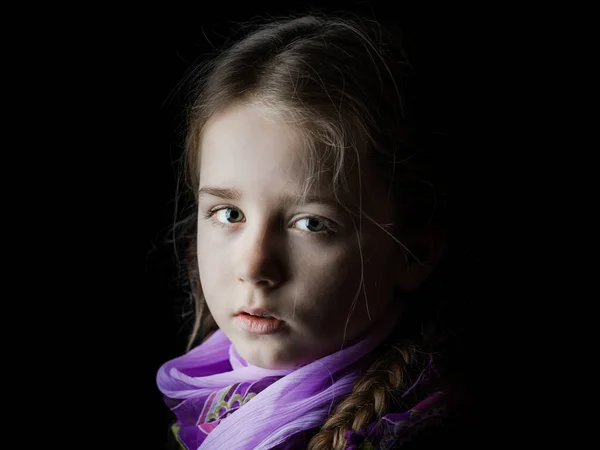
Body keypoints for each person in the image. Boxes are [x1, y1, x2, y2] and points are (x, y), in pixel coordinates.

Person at [156, 10, 469, 449]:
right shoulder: (207, 408)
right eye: (229, 214)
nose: (255, 266)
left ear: (412, 252)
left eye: (311, 223)